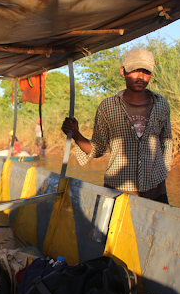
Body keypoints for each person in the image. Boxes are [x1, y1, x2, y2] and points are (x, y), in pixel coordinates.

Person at [61, 48, 173, 204]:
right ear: (123, 71)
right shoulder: (107, 106)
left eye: (146, 72)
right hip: (119, 190)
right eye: (135, 71)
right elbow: (98, 149)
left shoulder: (162, 104)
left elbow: (166, 142)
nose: (140, 77)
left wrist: (161, 172)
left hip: (156, 189)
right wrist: (76, 134)